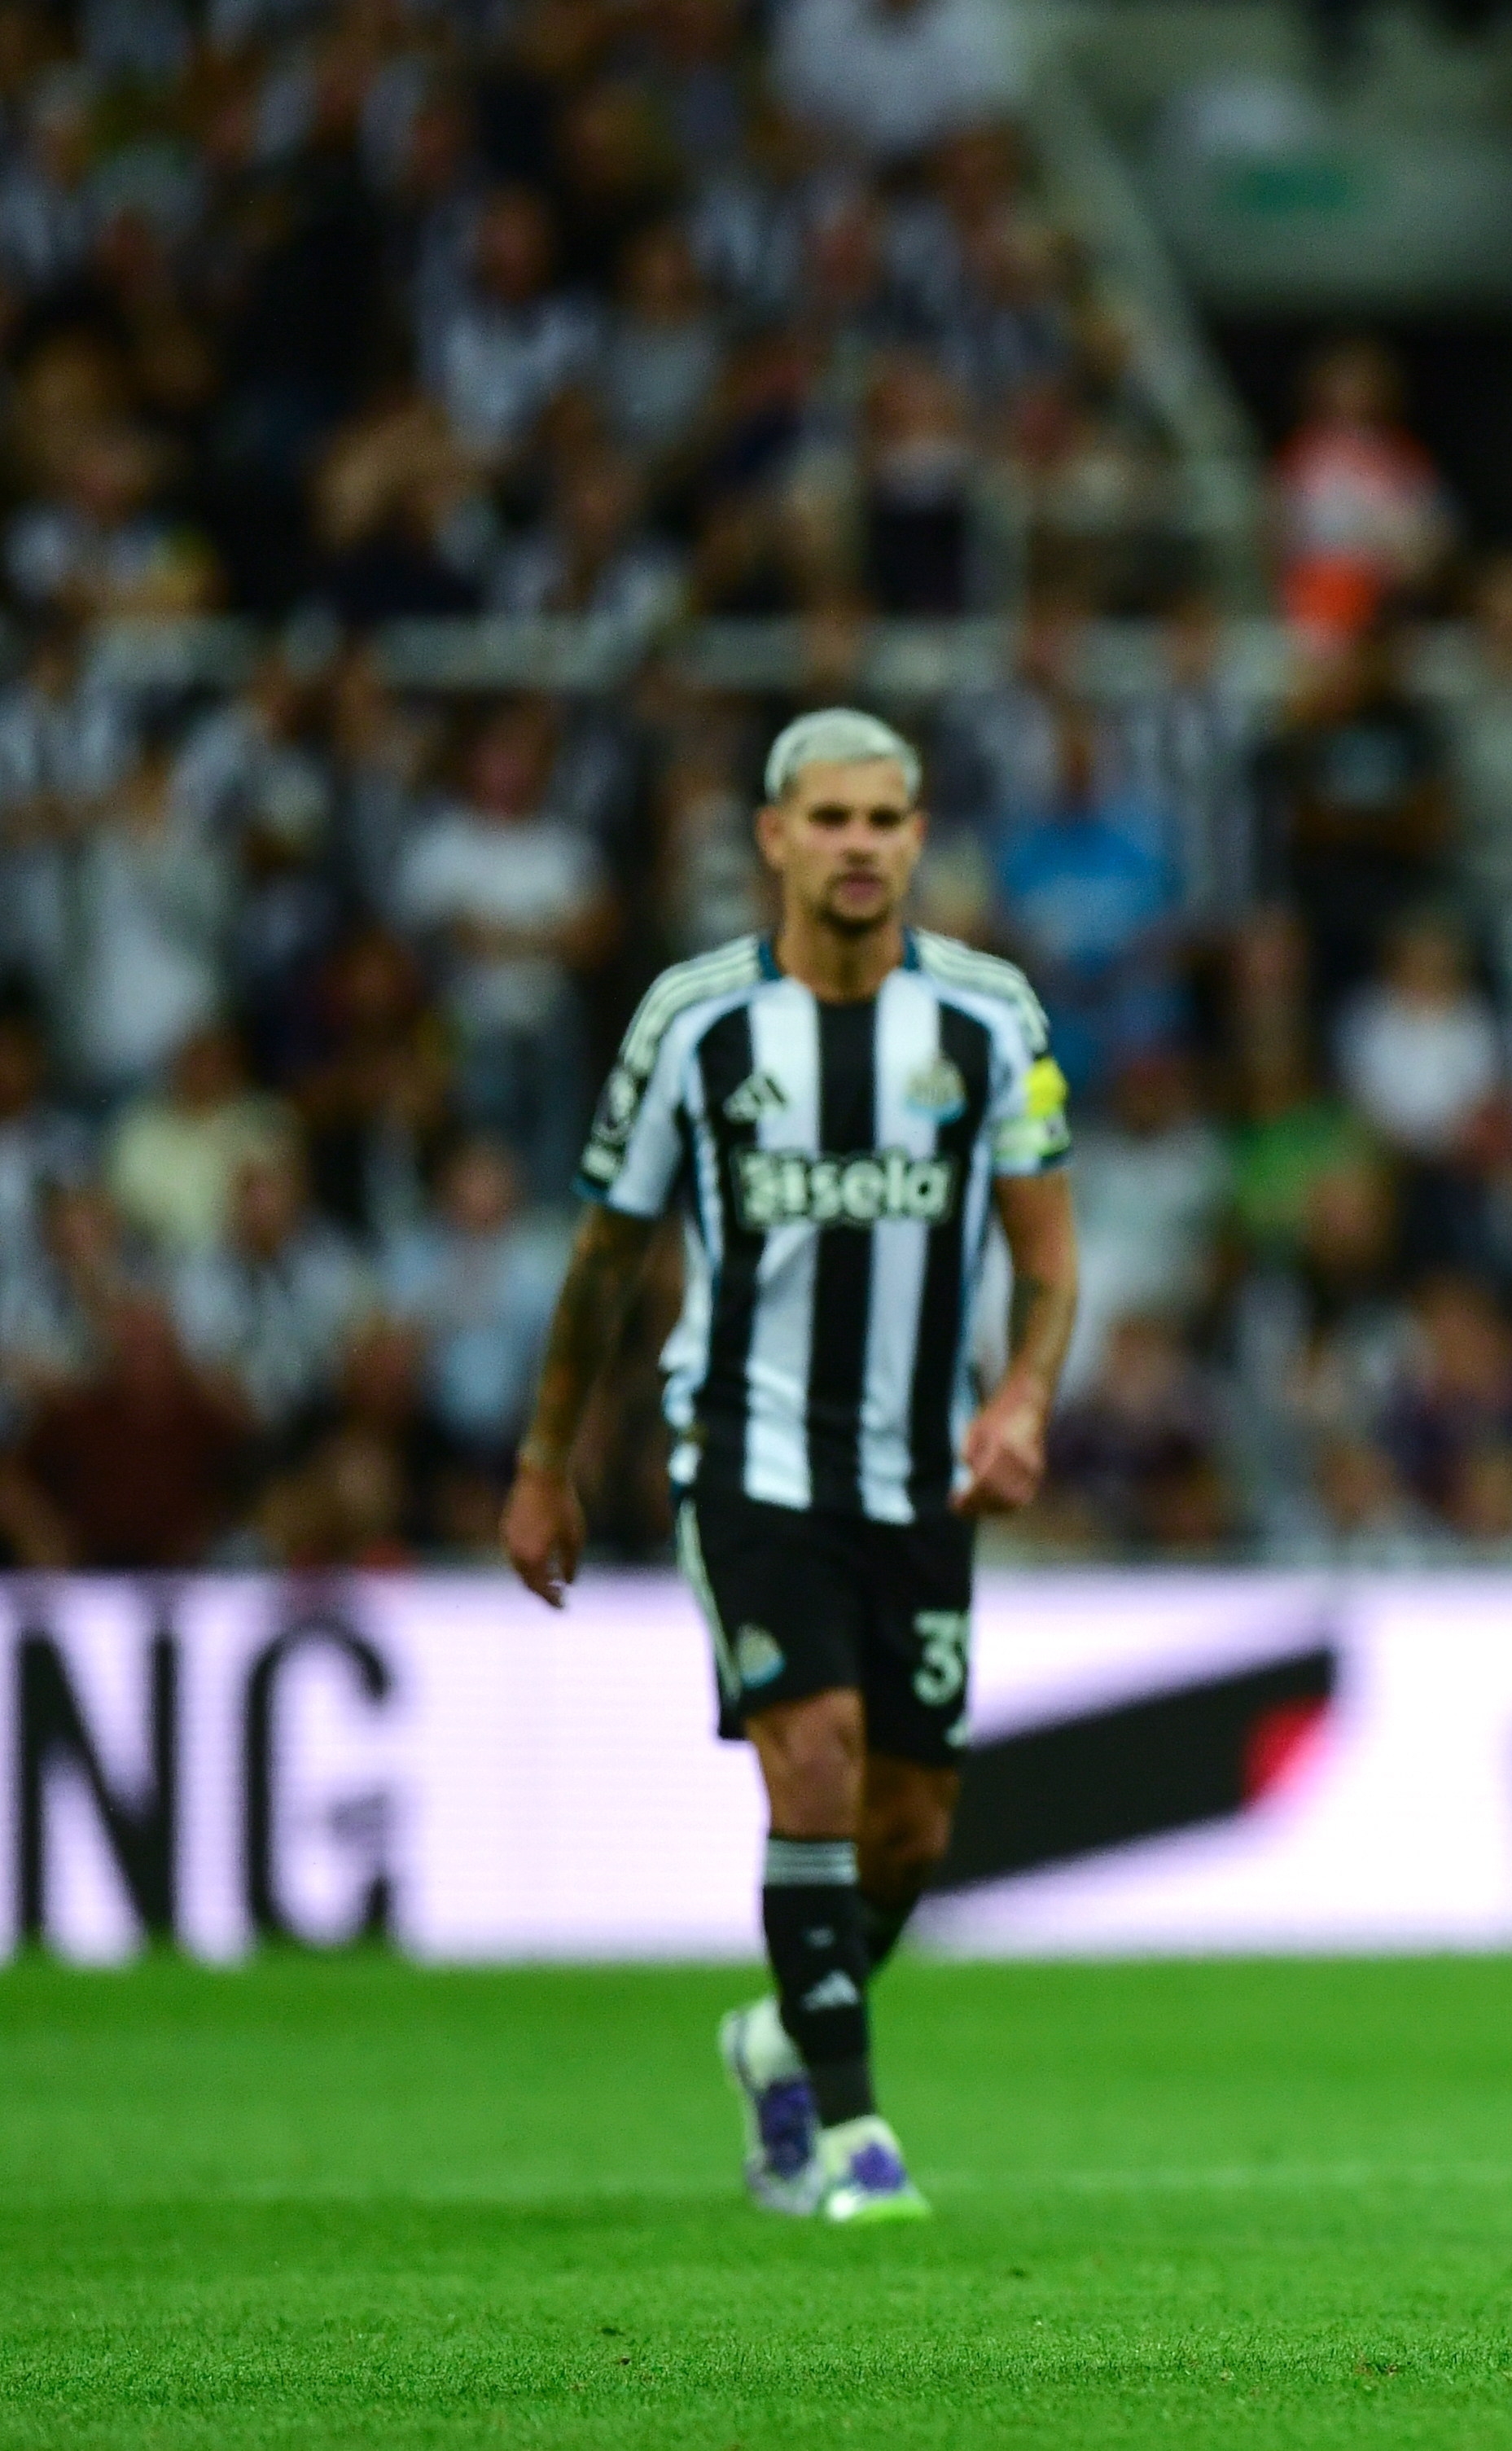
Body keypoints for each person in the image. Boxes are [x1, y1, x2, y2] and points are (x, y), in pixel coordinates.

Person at [497, 707, 1080, 2228]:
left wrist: (1022, 1397)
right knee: (812, 1754)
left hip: (919, 1475)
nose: (862, 846)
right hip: (745, 1455)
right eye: (831, 819)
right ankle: (850, 2131)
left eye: (887, 819)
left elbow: (1048, 1258)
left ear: (917, 836)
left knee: (909, 1827)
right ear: (772, 836)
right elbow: (605, 1256)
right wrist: (545, 1457)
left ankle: (774, 2035)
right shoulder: (692, 1021)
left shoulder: (990, 1018)